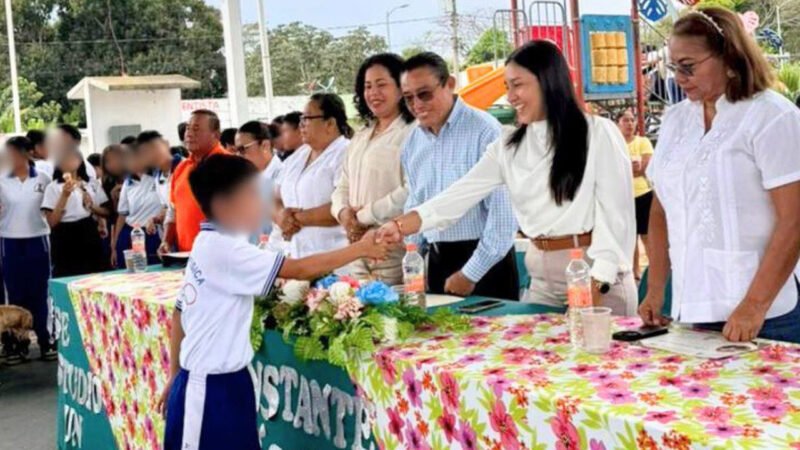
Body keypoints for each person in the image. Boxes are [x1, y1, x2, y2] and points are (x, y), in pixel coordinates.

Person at [379, 42, 637, 312]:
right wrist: (399, 226)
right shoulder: (508, 145)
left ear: (548, 81)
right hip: (541, 281)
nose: (510, 97)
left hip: (595, 274)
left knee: (598, 353)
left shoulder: (597, 133)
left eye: (518, 85)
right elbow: (457, 196)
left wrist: (597, 283)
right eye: (507, 87)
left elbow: (616, 216)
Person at [158, 154, 390, 450]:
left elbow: (180, 312)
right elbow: (301, 269)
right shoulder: (226, 250)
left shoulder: (210, 242)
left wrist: (175, 375)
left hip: (228, 383)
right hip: (209, 390)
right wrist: (360, 248)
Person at [639, 7, 800, 343]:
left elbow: (794, 220)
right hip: (691, 306)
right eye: (673, 66)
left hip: (765, 314)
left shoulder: (772, 117)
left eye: (688, 66)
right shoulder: (675, 119)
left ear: (729, 58)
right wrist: (656, 289)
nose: (678, 77)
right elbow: (661, 207)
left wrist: (754, 306)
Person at [388, 51, 519, 300]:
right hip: (437, 260)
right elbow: (417, 201)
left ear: (449, 84)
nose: (417, 104)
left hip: (487, 262)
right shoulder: (412, 142)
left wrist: (471, 273)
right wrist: (412, 255)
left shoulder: (485, 130)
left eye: (424, 94)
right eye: (408, 98)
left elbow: (503, 217)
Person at [331, 53, 415, 284]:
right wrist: (344, 214)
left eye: (381, 85)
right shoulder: (361, 135)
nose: (373, 93)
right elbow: (343, 185)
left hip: (394, 247)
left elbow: (413, 189)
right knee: (359, 313)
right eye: (367, 86)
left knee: (394, 315)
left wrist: (364, 216)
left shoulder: (413, 132)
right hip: (357, 245)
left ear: (401, 88)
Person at [273, 94, 352, 259]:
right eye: (301, 118)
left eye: (307, 118)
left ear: (330, 123)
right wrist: (280, 215)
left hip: (334, 257)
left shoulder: (346, 153)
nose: (301, 124)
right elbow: (274, 196)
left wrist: (295, 219)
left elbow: (346, 204)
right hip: (295, 256)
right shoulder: (298, 155)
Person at [0, 137, 54, 360]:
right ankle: (14, 343)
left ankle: (46, 340)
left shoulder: (43, 178)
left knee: (41, 292)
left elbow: (50, 210)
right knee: (13, 293)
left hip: (37, 239)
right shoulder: (1, 180)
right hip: (9, 240)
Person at [159, 109, 228, 255]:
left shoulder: (229, 165)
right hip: (187, 257)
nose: (189, 134)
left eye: (196, 129)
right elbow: (173, 211)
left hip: (220, 257)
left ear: (216, 135)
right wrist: (166, 241)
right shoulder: (181, 168)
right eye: (188, 128)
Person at [41, 147, 110, 277]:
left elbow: (107, 211)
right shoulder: (53, 187)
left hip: (87, 230)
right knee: (67, 275)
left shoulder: (91, 184)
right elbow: (52, 222)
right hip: (64, 234)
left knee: (94, 273)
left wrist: (92, 207)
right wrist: (64, 196)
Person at [110, 144, 163, 267]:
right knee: (130, 274)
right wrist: (114, 245)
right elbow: (122, 215)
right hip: (131, 233)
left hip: (152, 233)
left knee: (153, 272)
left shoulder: (158, 178)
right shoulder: (128, 183)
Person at [617, 108, 654, 280]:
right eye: (625, 120)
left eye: (632, 120)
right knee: (630, 237)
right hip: (624, 195)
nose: (630, 124)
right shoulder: (615, 143)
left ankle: (653, 271)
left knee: (647, 235)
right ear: (618, 123)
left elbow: (646, 165)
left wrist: (629, 170)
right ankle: (634, 270)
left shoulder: (643, 141)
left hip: (643, 193)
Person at [235, 121, 282, 236]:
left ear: (265, 146)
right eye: (237, 151)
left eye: (242, 149)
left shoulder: (284, 177)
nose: (238, 155)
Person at [137, 130, 183, 233]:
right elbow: (166, 207)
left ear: (166, 144)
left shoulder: (185, 168)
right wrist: (155, 219)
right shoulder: (158, 177)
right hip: (172, 234)